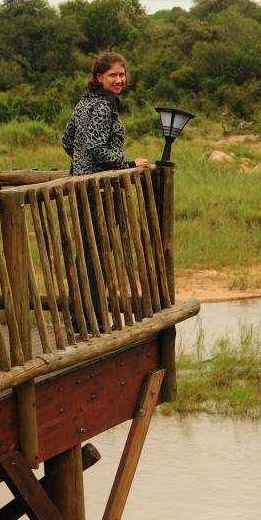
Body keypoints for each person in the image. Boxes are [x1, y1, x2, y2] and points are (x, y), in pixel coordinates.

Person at [62, 51, 150, 334]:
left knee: (87, 253)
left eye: (122, 74)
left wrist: (80, 165)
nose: (119, 79)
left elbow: (68, 139)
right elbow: (97, 149)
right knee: (95, 255)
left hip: (82, 184)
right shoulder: (101, 106)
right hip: (95, 189)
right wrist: (128, 164)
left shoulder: (86, 102)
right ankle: (95, 320)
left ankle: (82, 319)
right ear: (99, 77)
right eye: (112, 75)